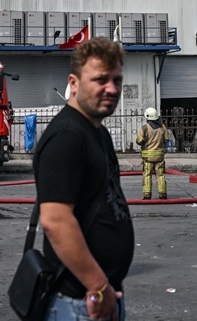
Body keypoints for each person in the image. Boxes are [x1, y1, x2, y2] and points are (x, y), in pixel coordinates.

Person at [34, 38, 133, 321]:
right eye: (101, 79)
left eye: (117, 80)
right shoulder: (67, 136)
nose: (112, 89)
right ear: (74, 83)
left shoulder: (97, 131)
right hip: (79, 303)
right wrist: (98, 286)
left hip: (99, 297)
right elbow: (56, 221)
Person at [136, 107, 170, 199]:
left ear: (147, 116)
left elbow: (139, 141)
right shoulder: (162, 127)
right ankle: (162, 194)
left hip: (148, 158)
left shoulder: (144, 128)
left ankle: (147, 195)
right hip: (159, 156)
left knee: (147, 175)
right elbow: (167, 139)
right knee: (160, 175)